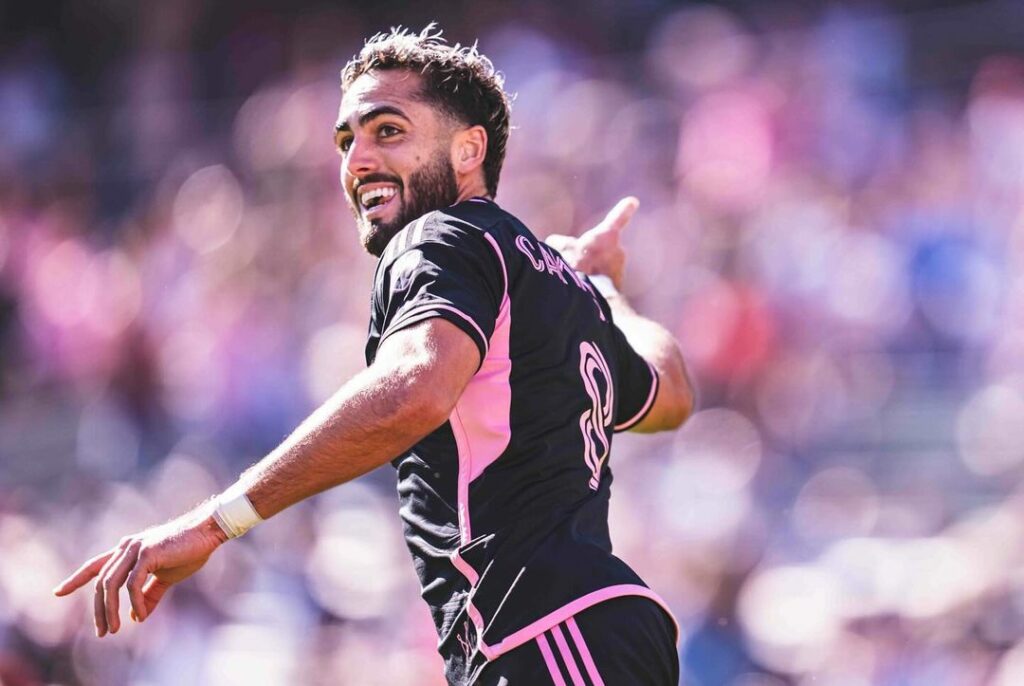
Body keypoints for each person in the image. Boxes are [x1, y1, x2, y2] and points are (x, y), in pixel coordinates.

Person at [54, 25, 695, 685]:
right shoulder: (552, 286)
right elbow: (671, 392)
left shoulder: (441, 235)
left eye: (387, 131)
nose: (356, 159)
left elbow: (417, 386)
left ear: (469, 148)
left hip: (543, 632)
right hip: (588, 631)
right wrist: (603, 287)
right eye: (345, 139)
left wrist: (220, 520)